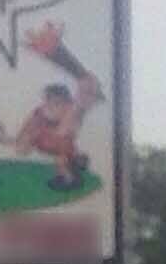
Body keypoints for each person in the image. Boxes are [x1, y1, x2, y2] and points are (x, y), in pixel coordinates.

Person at [16, 22, 104, 188]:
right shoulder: (42, 113)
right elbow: (28, 129)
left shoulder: (71, 109)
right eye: (49, 100)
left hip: (60, 143)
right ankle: (71, 171)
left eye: (55, 101)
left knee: (61, 155)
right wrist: (25, 137)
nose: (51, 104)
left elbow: (72, 118)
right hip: (52, 141)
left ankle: (69, 177)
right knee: (60, 153)